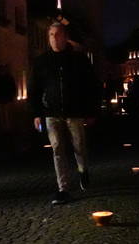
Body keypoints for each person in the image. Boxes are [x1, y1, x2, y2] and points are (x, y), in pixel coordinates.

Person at [30, 21, 101, 204]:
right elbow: (35, 89)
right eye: (51, 35)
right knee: (57, 149)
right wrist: (36, 113)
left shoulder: (78, 60)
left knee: (79, 145)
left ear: (65, 37)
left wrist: (91, 110)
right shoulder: (42, 62)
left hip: (74, 111)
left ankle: (82, 169)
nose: (54, 38)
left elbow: (91, 85)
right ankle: (63, 188)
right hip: (51, 112)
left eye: (58, 34)